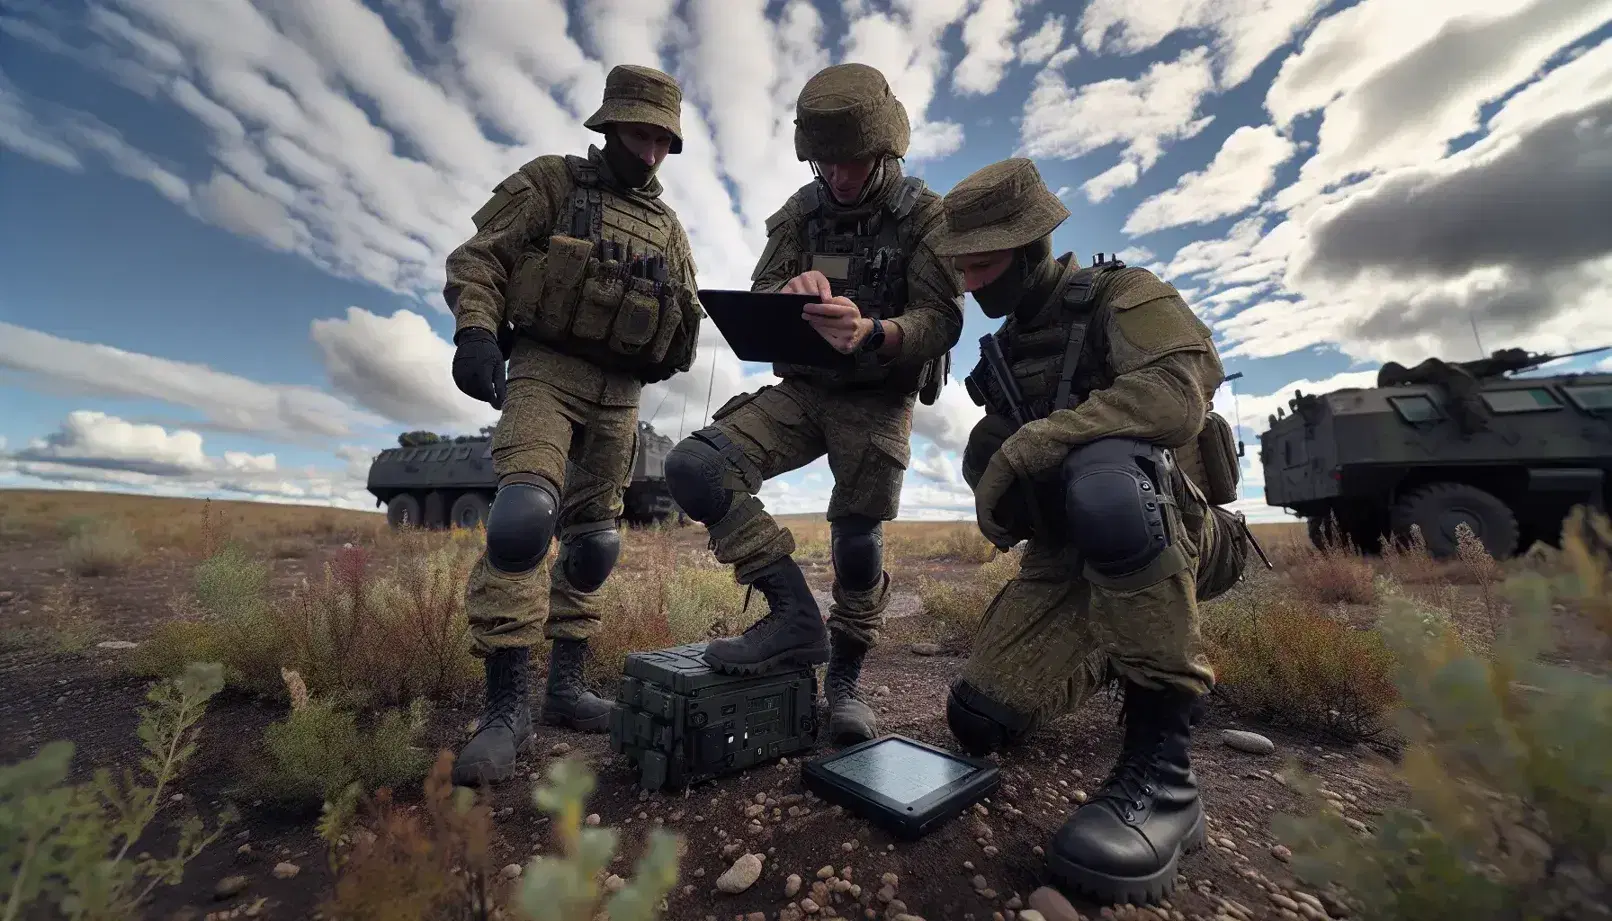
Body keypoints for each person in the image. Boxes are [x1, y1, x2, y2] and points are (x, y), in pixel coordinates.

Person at [928, 157, 1253, 907]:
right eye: (960, 268)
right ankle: (1125, 630)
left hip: (1180, 526)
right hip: (1072, 561)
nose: (970, 284)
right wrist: (998, 481)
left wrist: (1039, 444)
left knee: (1108, 477)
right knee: (978, 718)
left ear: (1032, 244)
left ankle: (1167, 779)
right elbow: (1013, 515)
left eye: (982, 264)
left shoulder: (1124, 293)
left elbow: (1178, 397)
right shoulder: (1006, 355)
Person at [663, 63, 964, 744]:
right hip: (804, 389)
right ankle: (793, 615)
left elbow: (941, 319)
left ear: (885, 148)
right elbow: (763, 288)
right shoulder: (801, 212)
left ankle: (847, 682)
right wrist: (788, 293)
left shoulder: (924, 216)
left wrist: (876, 332)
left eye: (851, 161)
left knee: (857, 541)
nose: (838, 176)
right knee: (695, 467)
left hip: (878, 393)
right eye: (824, 161)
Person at [441, 64, 704, 786]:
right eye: (638, 132)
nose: (649, 150)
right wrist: (474, 332)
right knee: (523, 519)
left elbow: (686, 317)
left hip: (621, 392)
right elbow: (479, 259)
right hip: (545, 370)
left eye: (661, 139)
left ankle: (562, 687)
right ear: (609, 122)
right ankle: (505, 709)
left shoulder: (669, 229)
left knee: (594, 543)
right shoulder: (551, 183)